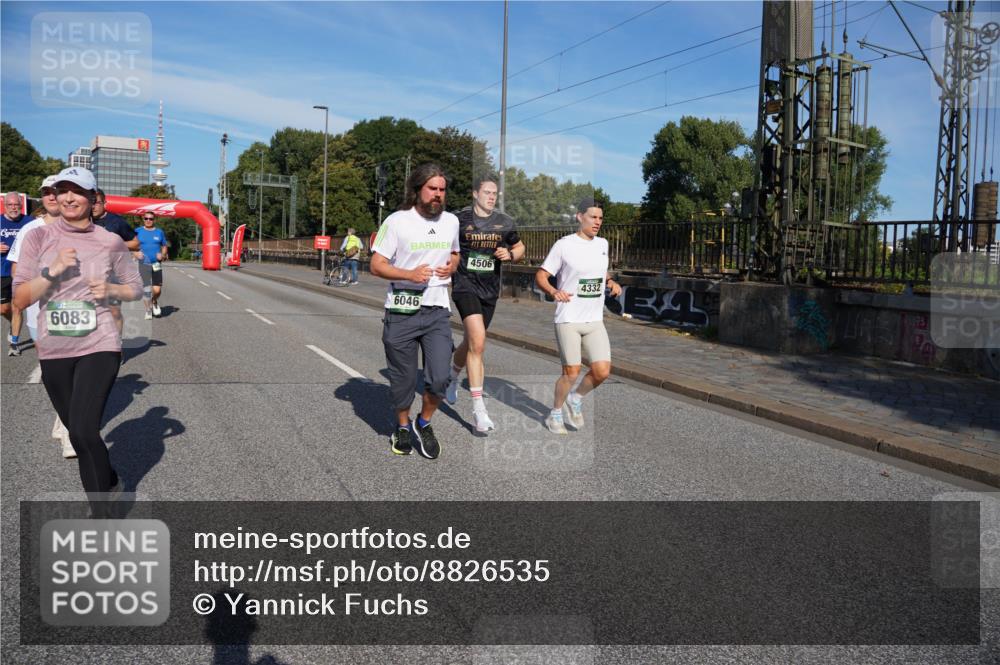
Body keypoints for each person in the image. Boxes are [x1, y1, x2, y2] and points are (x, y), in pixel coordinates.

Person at [11, 167, 142, 513]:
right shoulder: (37, 237)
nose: (68, 197)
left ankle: (102, 515)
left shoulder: (110, 241)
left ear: (92, 198)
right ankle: (110, 481)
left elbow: (135, 286)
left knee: (83, 431)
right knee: (78, 431)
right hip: (54, 346)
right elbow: (21, 299)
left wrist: (113, 289)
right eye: (62, 190)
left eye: (77, 191)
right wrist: (50, 272)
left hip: (99, 342)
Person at [370, 163, 460, 459]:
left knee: (439, 378)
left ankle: (424, 422)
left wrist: (453, 265)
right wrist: (409, 275)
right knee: (404, 381)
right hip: (402, 311)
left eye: (442, 190)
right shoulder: (396, 221)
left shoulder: (451, 222)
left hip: (436, 310)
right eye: (432, 189)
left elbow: (456, 254)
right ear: (418, 189)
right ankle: (403, 426)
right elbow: (377, 264)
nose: (437, 195)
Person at [445, 175, 525, 433]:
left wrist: (510, 254)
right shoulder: (459, 220)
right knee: (478, 341)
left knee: (471, 342)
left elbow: (520, 247)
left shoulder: (505, 222)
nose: (492, 197)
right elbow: (444, 246)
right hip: (465, 286)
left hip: (490, 290)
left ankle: (451, 375)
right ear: (475, 194)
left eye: (495, 193)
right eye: (487, 192)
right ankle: (479, 411)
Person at [535, 196, 622, 434]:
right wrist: (554, 291)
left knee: (602, 371)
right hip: (569, 318)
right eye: (593, 217)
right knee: (571, 372)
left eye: (601, 218)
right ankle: (554, 414)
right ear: (579, 217)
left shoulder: (602, 244)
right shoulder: (564, 245)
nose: (597, 222)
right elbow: (541, 275)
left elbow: (601, 271)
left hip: (594, 319)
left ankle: (575, 398)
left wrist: (611, 281)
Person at [8, 175, 76, 458]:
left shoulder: (80, 227)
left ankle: (70, 429)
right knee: (53, 371)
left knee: (71, 367)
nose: (52, 196)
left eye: (57, 191)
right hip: (39, 309)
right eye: (47, 192)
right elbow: (15, 272)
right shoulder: (30, 230)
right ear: (42, 198)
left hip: (71, 310)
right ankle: (62, 416)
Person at [92, 189, 140, 336]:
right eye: (91, 203)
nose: (93, 206)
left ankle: (117, 343)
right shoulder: (83, 220)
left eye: (97, 203)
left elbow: (135, 243)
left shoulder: (116, 221)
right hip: (89, 272)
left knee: (113, 311)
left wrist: (114, 243)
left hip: (112, 274)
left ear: (105, 203)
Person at [2, 191, 29, 356]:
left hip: (23, 270)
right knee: (4, 308)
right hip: (2, 271)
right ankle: (13, 322)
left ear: (21, 205)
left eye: (16, 204)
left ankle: (14, 343)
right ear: (5, 206)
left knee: (17, 307)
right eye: (10, 205)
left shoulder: (29, 221)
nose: (14, 207)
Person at [135, 212, 167, 318]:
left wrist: (162, 255)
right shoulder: (137, 231)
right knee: (146, 289)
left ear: (154, 220)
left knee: (157, 290)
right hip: (143, 264)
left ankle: (154, 302)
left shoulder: (159, 232)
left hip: (156, 264)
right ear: (143, 219)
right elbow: (130, 245)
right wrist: (135, 253)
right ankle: (148, 310)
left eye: (151, 219)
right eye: (146, 218)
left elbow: (164, 246)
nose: (148, 220)